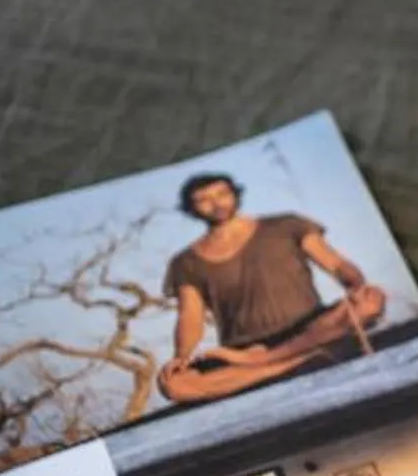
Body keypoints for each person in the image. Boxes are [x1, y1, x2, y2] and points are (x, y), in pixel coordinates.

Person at [156, 173, 389, 405]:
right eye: (204, 200)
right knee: (175, 385)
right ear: (191, 208)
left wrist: (355, 284)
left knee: (370, 302)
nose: (216, 203)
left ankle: (264, 364)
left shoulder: (286, 225)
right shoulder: (185, 262)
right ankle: (298, 361)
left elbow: (336, 264)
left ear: (235, 194)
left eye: (222, 194)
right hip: (244, 347)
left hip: (311, 326)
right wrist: (181, 357)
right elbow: (190, 315)